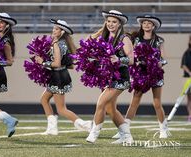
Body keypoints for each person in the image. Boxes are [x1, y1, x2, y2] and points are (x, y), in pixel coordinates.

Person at [112, 15, 171, 139]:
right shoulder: (135, 38)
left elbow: (164, 58)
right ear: (141, 25)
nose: (146, 25)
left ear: (154, 26)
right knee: (135, 101)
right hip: (140, 73)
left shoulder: (159, 40)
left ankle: (163, 129)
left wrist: (160, 63)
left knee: (156, 102)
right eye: (144, 23)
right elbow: (131, 55)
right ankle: (124, 129)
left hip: (155, 73)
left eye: (149, 23)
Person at [35, 19, 92, 135]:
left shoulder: (57, 44)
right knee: (44, 99)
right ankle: (52, 128)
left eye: (56, 29)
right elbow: (68, 65)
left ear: (62, 32)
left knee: (61, 109)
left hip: (58, 77)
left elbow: (57, 64)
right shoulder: (63, 43)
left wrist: (42, 63)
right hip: (60, 75)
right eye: (53, 28)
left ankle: (85, 124)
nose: (53, 30)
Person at [85, 10, 134, 144]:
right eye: (109, 21)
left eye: (114, 22)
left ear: (119, 24)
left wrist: (118, 59)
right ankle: (127, 136)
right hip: (108, 77)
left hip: (121, 78)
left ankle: (94, 134)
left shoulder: (124, 38)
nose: (111, 24)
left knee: (101, 103)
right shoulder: (104, 37)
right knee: (110, 109)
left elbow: (131, 60)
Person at [181, 35, 191, 122]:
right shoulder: (187, 53)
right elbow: (183, 65)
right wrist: (190, 73)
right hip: (189, 79)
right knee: (189, 97)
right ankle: (190, 115)